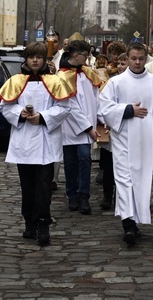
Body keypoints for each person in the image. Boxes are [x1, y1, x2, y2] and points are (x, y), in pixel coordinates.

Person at [0, 42, 75, 246]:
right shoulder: (15, 80)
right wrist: (20, 114)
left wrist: (43, 117)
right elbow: (5, 106)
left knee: (43, 187)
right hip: (24, 143)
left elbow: (65, 107)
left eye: (39, 57)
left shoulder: (55, 81)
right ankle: (29, 223)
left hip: (45, 143)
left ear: (44, 59)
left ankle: (43, 224)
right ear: (26, 58)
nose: (35, 60)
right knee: (27, 187)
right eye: (31, 57)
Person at [99, 42, 153, 244]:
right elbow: (104, 106)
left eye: (141, 58)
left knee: (141, 181)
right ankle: (128, 224)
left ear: (145, 59)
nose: (138, 62)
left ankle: (136, 220)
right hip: (123, 140)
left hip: (145, 140)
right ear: (127, 59)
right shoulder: (117, 82)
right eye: (134, 58)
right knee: (124, 181)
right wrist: (129, 110)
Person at [57, 40, 103, 215]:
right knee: (70, 162)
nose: (88, 58)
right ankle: (72, 195)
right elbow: (71, 105)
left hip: (88, 127)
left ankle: (84, 195)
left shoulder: (87, 73)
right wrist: (87, 127)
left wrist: (101, 119)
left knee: (85, 159)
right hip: (70, 127)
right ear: (76, 55)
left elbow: (96, 98)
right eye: (86, 55)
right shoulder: (62, 76)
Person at [95, 52, 128, 210]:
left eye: (124, 63)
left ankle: (122, 197)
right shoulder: (110, 82)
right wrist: (106, 121)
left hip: (128, 130)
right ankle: (107, 195)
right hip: (112, 131)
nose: (121, 67)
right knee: (109, 166)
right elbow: (101, 105)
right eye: (119, 64)